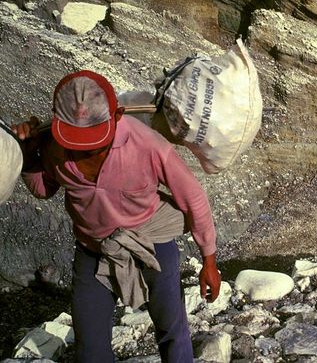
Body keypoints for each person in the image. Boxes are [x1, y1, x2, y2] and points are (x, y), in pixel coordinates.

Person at [13, 70, 222, 363]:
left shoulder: (149, 146)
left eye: (95, 140)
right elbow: (42, 189)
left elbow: (193, 198)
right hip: (93, 249)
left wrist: (209, 261)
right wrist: (26, 153)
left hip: (151, 242)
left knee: (171, 331)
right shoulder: (53, 146)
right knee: (90, 348)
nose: (87, 152)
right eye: (77, 141)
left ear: (118, 116)